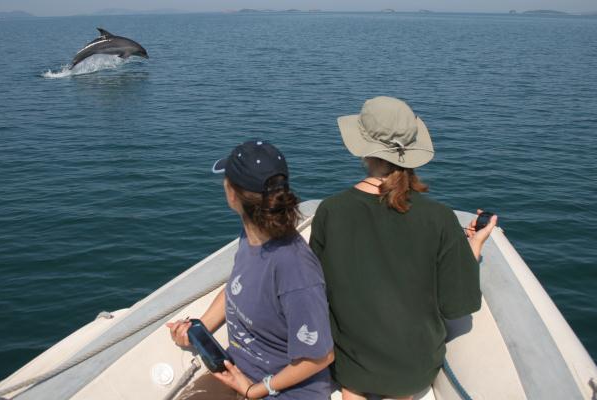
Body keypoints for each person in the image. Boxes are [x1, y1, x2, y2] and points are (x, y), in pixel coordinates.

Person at [309, 96, 498, 400]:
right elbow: (457, 305)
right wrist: (473, 247)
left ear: (364, 148)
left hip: (349, 364)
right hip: (414, 370)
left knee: (354, 384)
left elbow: (315, 290)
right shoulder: (439, 217)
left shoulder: (331, 211)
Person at [167, 140, 335, 399]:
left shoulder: (296, 270)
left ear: (232, 194)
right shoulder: (251, 235)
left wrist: (254, 390)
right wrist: (199, 329)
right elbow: (237, 286)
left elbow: (320, 356)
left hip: (285, 391)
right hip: (238, 371)